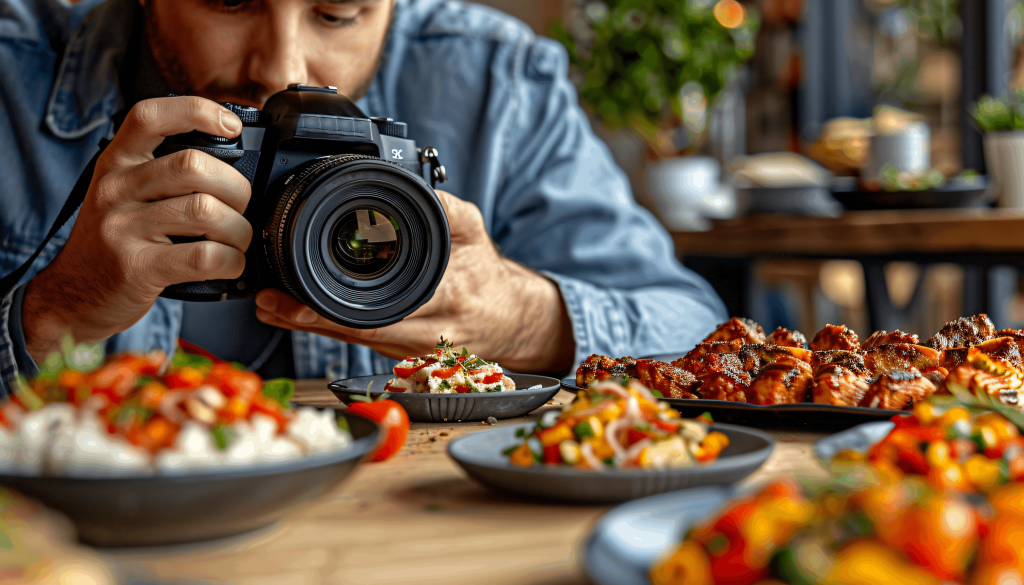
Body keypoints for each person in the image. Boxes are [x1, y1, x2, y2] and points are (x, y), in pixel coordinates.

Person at [0, 0, 726, 396]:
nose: (281, 65)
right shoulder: (13, 73)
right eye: (230, 2)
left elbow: (697, 328)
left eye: (338, 13)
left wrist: (523, 319)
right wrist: (55, 309)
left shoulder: (495, 81)